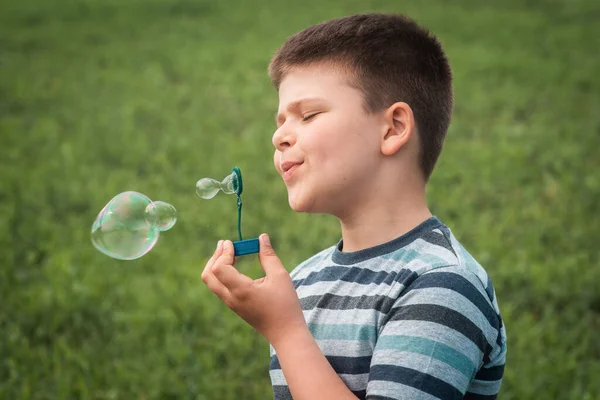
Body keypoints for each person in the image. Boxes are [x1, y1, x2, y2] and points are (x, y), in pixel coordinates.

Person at [201, 12, 507, 400]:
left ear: (394, 128)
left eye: (308, 115)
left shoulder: (442, 285)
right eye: (280, 121)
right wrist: (285, 323)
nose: (279, 136)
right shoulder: (304, 281)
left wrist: (287, 331)